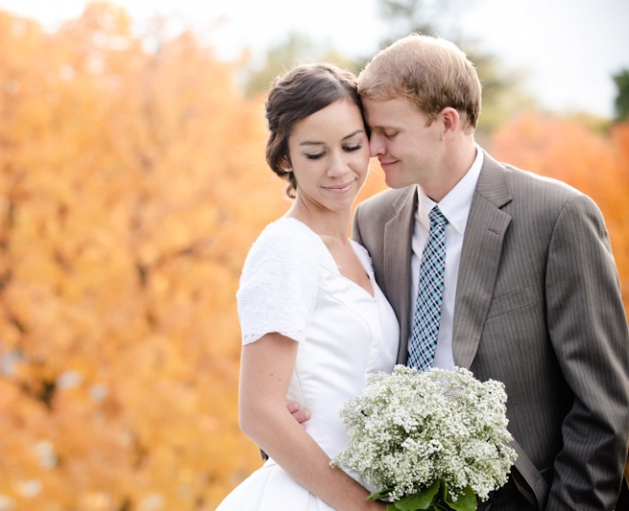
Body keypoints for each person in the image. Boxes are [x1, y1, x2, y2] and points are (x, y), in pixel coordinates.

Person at [290, 34, 629, 510]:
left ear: (447, 122)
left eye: (389, 132)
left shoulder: (558, 216)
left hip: (524, 494)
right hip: (396, 492)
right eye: (371, 131)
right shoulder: (372, 220)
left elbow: (603, 405)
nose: (372, 148)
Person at [216, 63, 398, 510]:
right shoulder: (286, 248)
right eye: (315, 154)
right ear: (285, 159)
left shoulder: (362, 252)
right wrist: (362, 506)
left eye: (352, 146)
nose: (339, 169)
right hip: (317, 496)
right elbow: (259, 411)